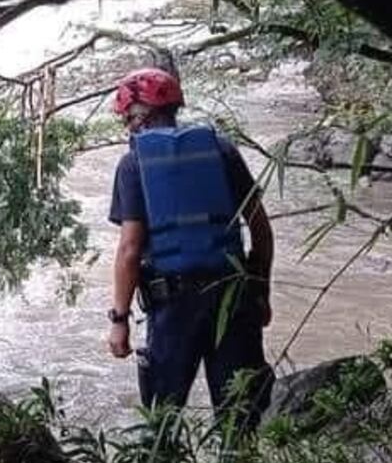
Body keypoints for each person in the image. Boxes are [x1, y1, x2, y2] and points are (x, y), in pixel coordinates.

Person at [105, 67, 275, 432]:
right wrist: (260, 290)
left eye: (127, 119)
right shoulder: (222, 149)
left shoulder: (134, 165)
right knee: (238, 421)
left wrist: (119, 321)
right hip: (234, 297)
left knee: (162, 423)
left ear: (139, 116)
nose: (127, 128)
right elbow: (260, 228)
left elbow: (129, 251)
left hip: (173, 310)